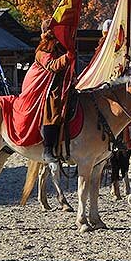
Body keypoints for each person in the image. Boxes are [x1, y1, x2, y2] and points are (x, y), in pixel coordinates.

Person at [35, 18, 72, 163]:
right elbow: (52, 65)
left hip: (64, 85)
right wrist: (66, 58)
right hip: (50, 88)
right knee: (52, 108)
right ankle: (48, 148)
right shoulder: (43, 50)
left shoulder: (59, 47)